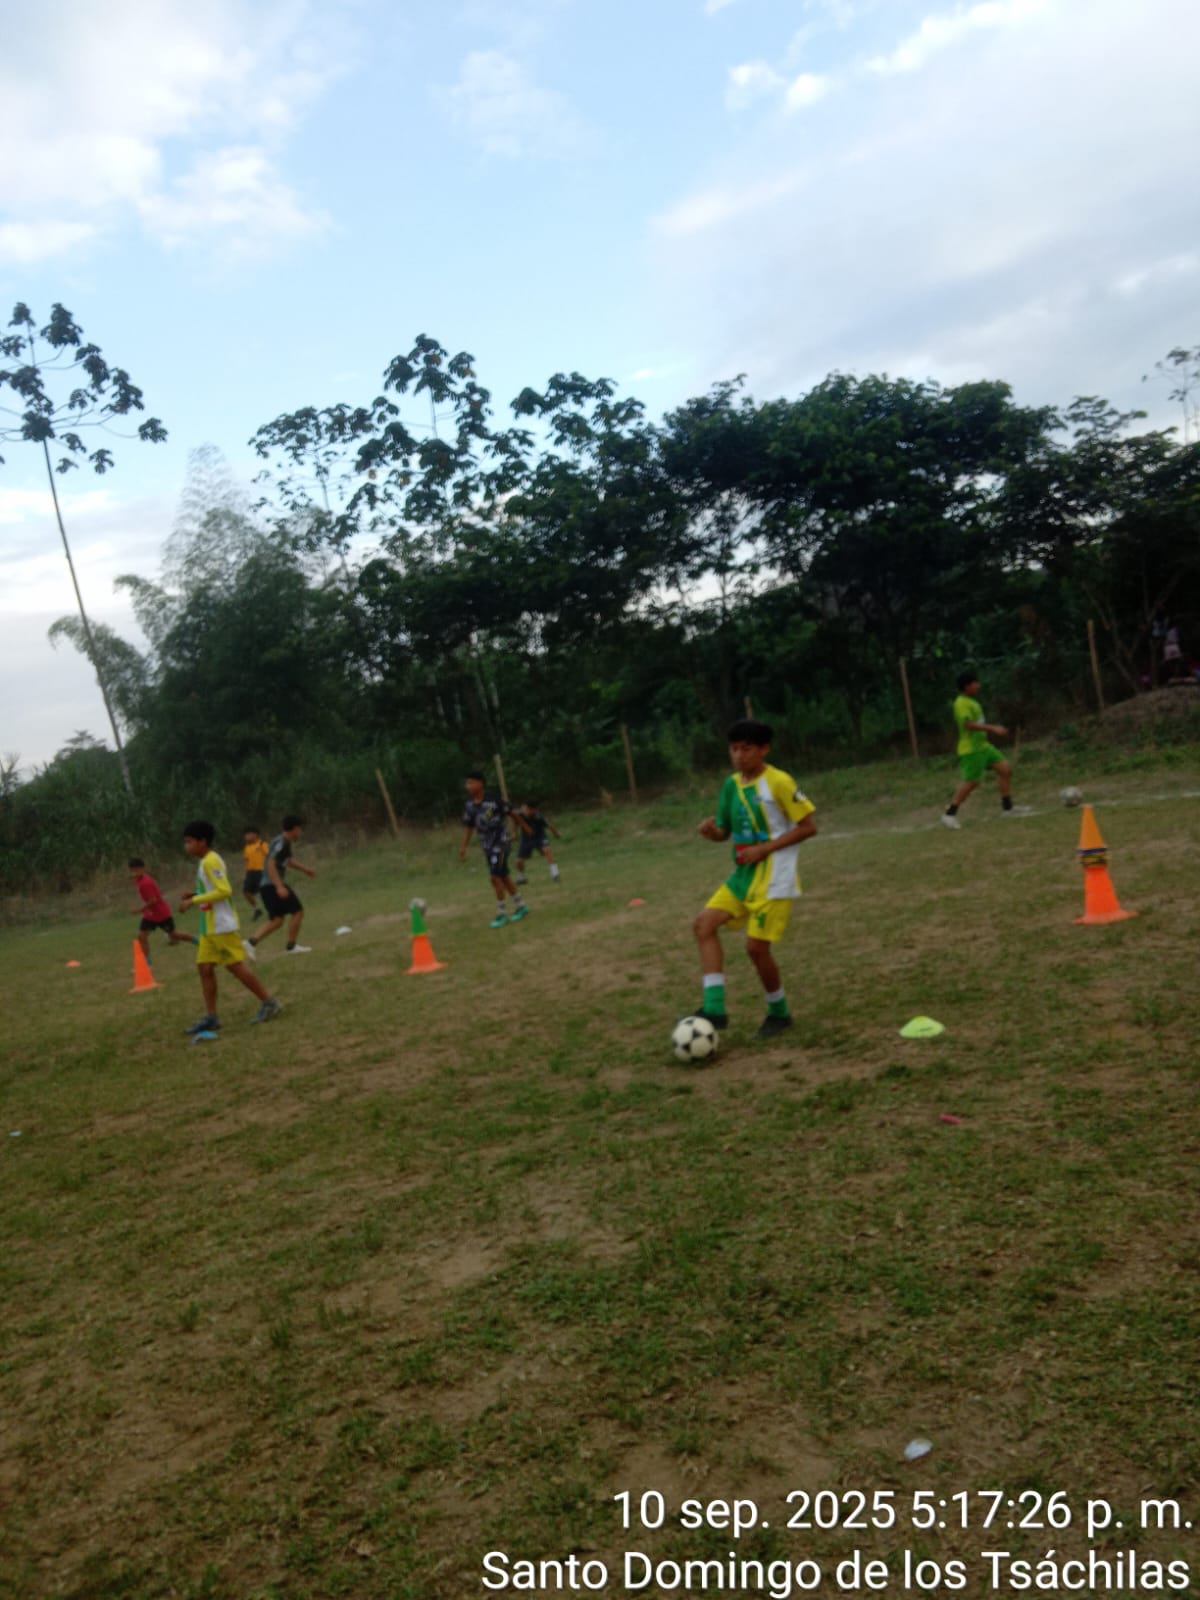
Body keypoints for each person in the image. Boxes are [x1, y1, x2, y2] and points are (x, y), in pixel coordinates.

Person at [691, 719, 817, 1040]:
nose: (739, 755)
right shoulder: (731, 786)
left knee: (756, 949)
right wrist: (711, 832)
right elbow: (724, 832)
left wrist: (765, 848)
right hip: (743, 876)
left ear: (764, 749)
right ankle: (714, 1009)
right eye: (733, 749)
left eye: (746, 749)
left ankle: (779, 1013)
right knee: (703, 925)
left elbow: (808, 827)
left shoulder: (779, 782)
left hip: (775, 878)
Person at [178, 820, 280, 1032]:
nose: (186, 846)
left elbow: (224, 891)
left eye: (189, 842)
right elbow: (213, 890)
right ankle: (211, 1017)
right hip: (209, 927)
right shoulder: (204, 861)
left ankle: (269, 1002)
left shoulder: (211, 861)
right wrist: (196, 893)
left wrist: (193, 901)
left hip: (221, 925)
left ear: (202, 841)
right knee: (204, 968)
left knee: (235, 966)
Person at [941, 671, 1028, 828]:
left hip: (983, 746)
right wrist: (993, 728)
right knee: (972, 782)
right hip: (971, 749)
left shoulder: (972, 701)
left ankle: (1008, 808)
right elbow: (968, 725)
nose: (978, 686)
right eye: (975, 683)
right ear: (967, 686)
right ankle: (949, 814)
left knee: (1005, 770)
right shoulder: (961, 703)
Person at [459, 772, 532, 928]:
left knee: (494, 877)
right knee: (503, 876)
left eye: (471, 783)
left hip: (502, 843)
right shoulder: (470, 806)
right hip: (487, 846)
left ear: (480, 784)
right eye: (467, 783)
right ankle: (521, 905)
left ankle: (501, 913)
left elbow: (511, 813)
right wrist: (463, 847)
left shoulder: (493, 800)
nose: (468, 786)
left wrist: (524, 827)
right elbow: (468, 827)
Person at [246, 815, 316, 954]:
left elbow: (287, 861)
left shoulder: (285, 842)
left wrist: (305, 869)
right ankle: (291, 947)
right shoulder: (281, 842)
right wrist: (279, 886)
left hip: (267, 885)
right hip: (272, 884)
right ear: (295, 828)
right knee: (297, 911)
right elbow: (270, 863)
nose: (300, 832)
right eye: (300, 829)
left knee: (277, 919)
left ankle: (250, 943)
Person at [128, 857, 196, 962]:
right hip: (150, 915)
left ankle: (198, 941)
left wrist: (139, 910)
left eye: (136, 870)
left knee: (175, 934)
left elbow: (153, 900)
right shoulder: (138, 880)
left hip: (161, 914)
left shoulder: (146, 882)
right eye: (132, 870)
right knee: (141, 936)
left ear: (143, 869)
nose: (134, 873)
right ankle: (147, 963)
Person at [514, 800, 562, 884]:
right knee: (519, 861)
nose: (525, 810)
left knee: (547, 850)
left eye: (527, 809)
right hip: (526, 839)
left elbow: (549, 825)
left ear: (533, 810)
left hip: (539, 837)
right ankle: (521, 877)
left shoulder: (538, 816)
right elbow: (514, 822)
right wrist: (515, 833)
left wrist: (556, 833)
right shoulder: (519, 814)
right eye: (524, 808)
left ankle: (555, 874)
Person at [241, 827, 268, 919]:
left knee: (264, 892)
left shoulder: (262, 844)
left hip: (260, 871)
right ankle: (257, 909)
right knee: (246, 892)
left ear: (255, 834)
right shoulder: (247, 847)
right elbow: (246, 861)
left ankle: (273, 909)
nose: (246, 837)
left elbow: (268, 856)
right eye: (245, 835)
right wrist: (244, 873)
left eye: (248, 834)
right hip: (250, 872)